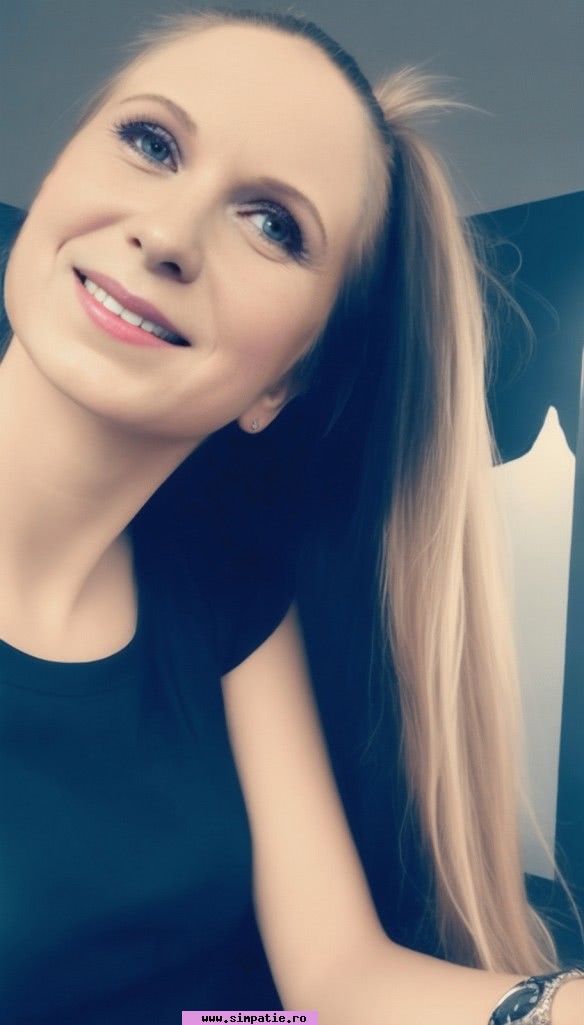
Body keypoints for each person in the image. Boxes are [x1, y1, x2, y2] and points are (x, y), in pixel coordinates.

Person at [0, 8, 582, 1025]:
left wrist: (547, 1008)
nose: (167, 235)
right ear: (53, 179)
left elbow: (335, 981)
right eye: (151, 142)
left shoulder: (225, 586)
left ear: (286, 381)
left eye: (273, 224)